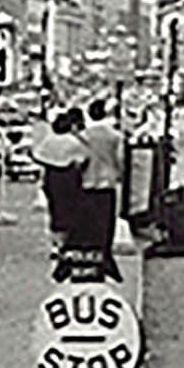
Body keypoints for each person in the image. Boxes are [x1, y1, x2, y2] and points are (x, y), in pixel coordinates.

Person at [32, 109, 90, 277]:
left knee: (54, 212)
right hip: (69, 177)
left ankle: (56, 244)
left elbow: (38, 156)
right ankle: (67, 243)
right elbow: (83, 158)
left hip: (52, 177)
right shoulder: (73, 142)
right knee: (71, 211)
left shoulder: (49, 141)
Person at [79, 96, 124, 281]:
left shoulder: (83, 136)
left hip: (87, 182)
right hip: (107, 182)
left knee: (89, 223)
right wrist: (120, 173)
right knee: (107, 223)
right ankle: (106, 255)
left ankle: (92, 258)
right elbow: (120, 159)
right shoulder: (114, 136)